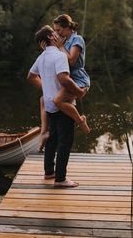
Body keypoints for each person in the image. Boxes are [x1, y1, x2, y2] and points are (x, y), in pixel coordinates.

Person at [27, 25, 85, 187]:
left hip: (49, 105)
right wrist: (79, 92)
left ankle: (49, 172)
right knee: (65, 141)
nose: (58, 34)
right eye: (55, 33)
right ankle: (60, 179)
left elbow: (30, 77)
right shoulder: (60, 56)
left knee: (52, 138)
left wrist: (46, 88)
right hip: (62, 106)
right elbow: (64, 79)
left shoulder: (42, 57)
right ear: (51, 38)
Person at [39, 14, 90, 152]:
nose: (56, 33)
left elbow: (72, 60)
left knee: (57, 100)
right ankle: (44, 132)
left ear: (67, 27)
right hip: (67, 80)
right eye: (55, 30)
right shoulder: (65, 41)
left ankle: (80, 121)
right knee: (43, 99)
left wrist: (60, 46)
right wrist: (48, 50)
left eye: (58, 30)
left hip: (78, 79)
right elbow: (57, 57)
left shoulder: (77, 39)